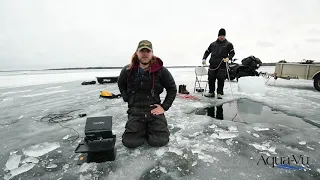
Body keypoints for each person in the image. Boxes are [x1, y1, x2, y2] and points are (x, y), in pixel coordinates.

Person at [117, 40, 177, 148]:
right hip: (135, 110)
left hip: (154, 109)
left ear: (152, 53)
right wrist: (126, 98)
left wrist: (164, 107)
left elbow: (172, 89)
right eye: (142, 51)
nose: (145, 54)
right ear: (137, 53)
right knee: (130, 142)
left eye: (147, 51)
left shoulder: (161, 71)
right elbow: (121, 84)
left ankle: (150, 128)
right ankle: (142, 128)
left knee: (159, 141)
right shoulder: (127, 70)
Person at [202, 28, 235, 99]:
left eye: (223, 35)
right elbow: (207, 52)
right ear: (218, 36)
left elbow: (232, 53)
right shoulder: (213, 44)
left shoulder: (228, 44)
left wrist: (229, 58)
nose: (222, 37)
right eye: (220, 35)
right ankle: (211, 92)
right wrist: (204, 58)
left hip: (222, 65)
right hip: (212, 65)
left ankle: (220, 93)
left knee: (220, 79)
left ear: (225, 36)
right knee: (211, 79)